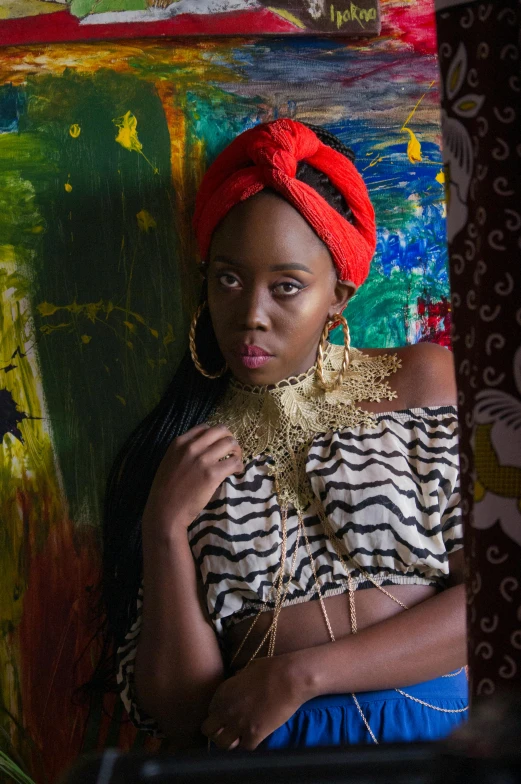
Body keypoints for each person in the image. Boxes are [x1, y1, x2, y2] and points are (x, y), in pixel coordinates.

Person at [105, 119, 468, 752]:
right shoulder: (182, 447)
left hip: (433, 737)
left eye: (287, 287)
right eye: (228, 279)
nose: (250, 315)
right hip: (263, 755)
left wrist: (301, 676)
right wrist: (164, 527)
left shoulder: (419, 383)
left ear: (339, 297)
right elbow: (180, 713)